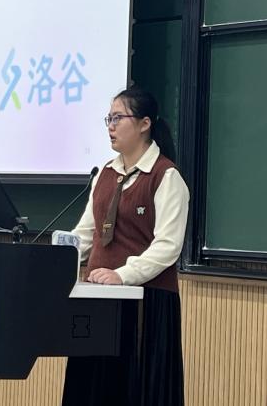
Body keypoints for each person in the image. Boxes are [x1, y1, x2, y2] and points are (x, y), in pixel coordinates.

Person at [62, 87, 189, 406]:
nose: (111, 126)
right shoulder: (104, 173)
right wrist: (56, 257)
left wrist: (122, 275)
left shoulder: (166, 176)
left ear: (145, 124)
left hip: (145, 303)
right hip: (96, 301)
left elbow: (168, 246)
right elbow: (86, 234)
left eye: (118, 118)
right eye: (108, 118)